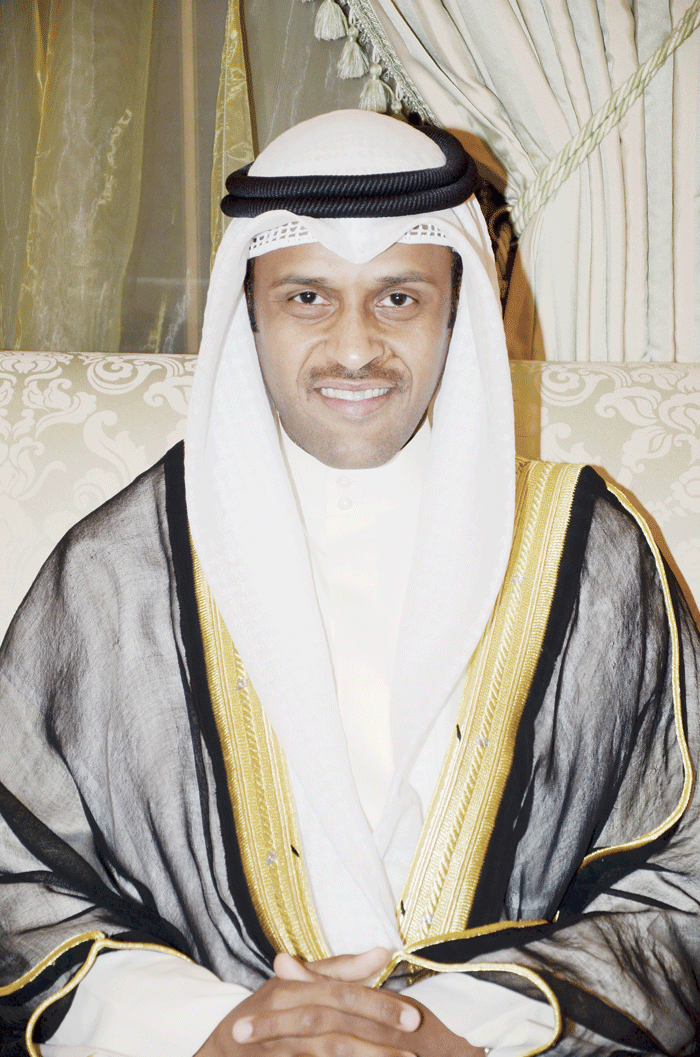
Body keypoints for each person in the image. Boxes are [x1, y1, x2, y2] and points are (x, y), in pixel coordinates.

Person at [1, 111, 699, 1057]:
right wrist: (210, 1028)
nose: (357, 347)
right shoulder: (118, 572)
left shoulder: (589, 552)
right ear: (250, 311)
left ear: (456, 310)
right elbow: (16, 881)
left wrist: (461, 1029)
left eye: (399, 297)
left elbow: (683, 880)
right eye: (308, 297)